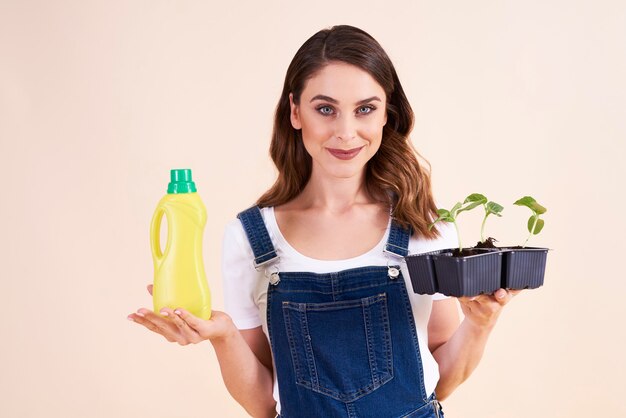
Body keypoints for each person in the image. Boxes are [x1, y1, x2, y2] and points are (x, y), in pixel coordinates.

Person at [128, 25, 520, 418]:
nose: (345, 133)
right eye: (326, 109)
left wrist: (481, 323)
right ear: (296, 112)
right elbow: (262, 403)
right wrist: (223, 336)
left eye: (365, 109)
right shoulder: (251, 238)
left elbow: (443, 380)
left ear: (388, 114)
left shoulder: (424, 227)